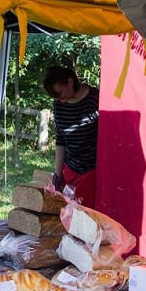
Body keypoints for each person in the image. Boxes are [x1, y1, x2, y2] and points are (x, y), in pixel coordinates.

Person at [43, 65, 100, 209]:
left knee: (86, 215)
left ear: (70, 82)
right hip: (70, 169)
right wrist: (58, 174)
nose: (60, 99)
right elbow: (61, 139)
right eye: (55, 97)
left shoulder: (95, 98)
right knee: (67, 213)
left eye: (60, 93)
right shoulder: (59, 104)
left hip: (92, 171)